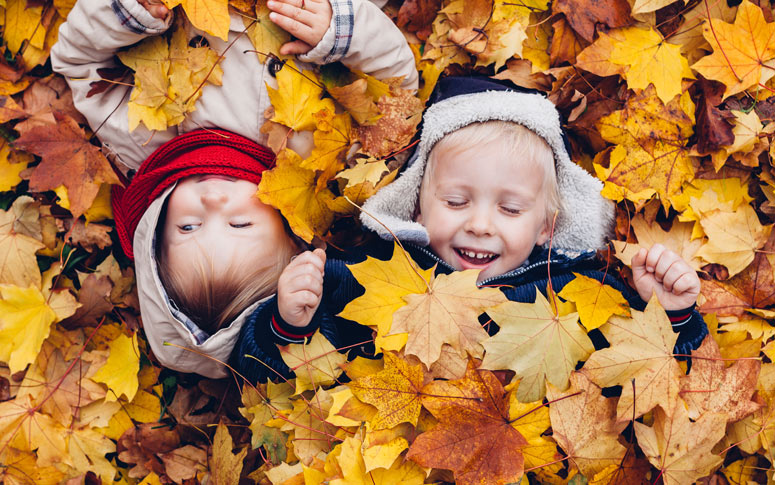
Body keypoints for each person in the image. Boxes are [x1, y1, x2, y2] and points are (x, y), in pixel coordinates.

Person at [233, 76, 708, 382]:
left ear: (547, 227)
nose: (480, 224)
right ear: (417, 207)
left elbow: (649, 380)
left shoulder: (577, 295)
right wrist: (288, 324)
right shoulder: (368, 277)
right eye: (457, 201)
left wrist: (671, 318)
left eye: (511, 209)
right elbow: (267, 379)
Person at [50, 0, 418, 378]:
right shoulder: (323, 171)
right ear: (293, 235)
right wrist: (341, 32)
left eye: (188, 227)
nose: (212, 200)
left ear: (156, 232)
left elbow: (79, 65)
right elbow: (397, 105)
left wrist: (128, 14)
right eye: (240, 224)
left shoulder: (143, 141)